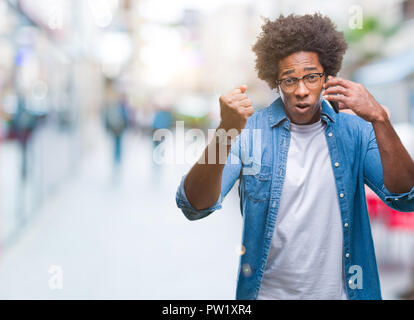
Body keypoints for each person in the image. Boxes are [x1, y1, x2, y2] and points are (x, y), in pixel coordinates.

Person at [175, 13, 414, 300]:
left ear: (326, 76)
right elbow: (194, 205)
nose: (301, 91)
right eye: (289, 80)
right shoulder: (248, 133)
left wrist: (379, 118)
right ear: (275, 82)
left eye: (312, 77)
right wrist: (224, 131)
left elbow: (406, 197)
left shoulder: (357, 131)